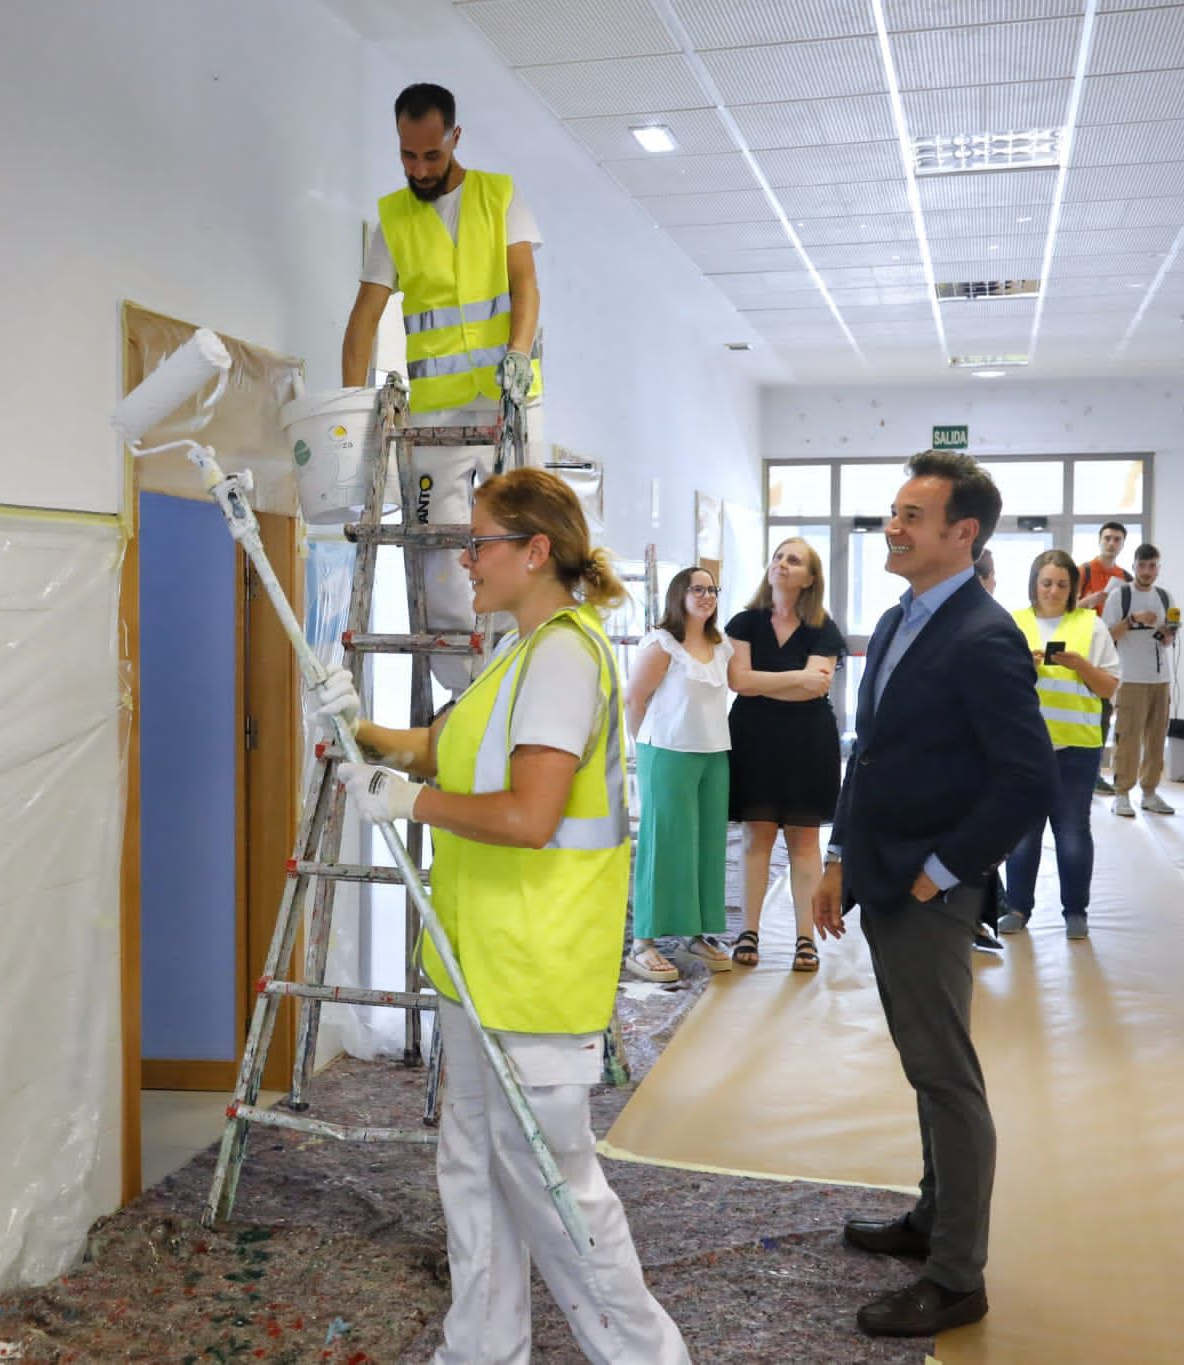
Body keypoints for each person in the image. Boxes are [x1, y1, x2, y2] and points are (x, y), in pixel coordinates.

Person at [322, 468, 688, 1363]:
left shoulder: (565, 655)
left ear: (535, 552)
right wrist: (359, 727)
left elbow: (529, 816)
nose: (466, 559)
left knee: (555, 1193)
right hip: (478, 964)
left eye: (480, 542)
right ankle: (479, 1351)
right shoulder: (517, 652)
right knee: (476, 1176)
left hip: (533, 969)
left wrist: (408, 803)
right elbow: (445, 748)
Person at [812, 451, 1055, 1340]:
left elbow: (1027, 781)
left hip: (929, 889)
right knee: (926, 1063)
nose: (894, 526)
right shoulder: (897, 617)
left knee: (947, 1075)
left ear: (964, 534)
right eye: (893, 511)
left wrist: (942, 870)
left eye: (914, 515)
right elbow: (868, 750)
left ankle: (958, 1275)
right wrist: (839, 855)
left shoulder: (985, 637)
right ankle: (929, 1218)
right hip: (880, 872)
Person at [341, 82, 543, 691]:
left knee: (526, 533)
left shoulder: (498, 196)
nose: (419, 169)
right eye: (407, 155)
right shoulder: (394, 220)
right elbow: (361, 325)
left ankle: (525, 667)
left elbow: (526, 285)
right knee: (435, 551)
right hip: (436, 417)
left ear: (455, 137)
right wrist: (352, 420)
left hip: (508, 401)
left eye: (431, 154)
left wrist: (517, 353)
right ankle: (469, 688)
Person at [724, 538, 844, 974]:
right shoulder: (744, 622)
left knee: (804, 840)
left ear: (810, 578)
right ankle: (748, 931)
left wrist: (764, 681)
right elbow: (738, 681)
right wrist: (796, 678)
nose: (782, 564)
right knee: (756, 837)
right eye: (778, 557)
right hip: (754, 739)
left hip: (808, 742)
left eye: (793, 560)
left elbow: (817, 687)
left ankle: (805, 939)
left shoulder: (823, 628)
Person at [998, 550, 1120, 940]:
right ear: (1034, 583)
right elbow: (994, 683)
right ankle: (1017, 907)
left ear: (1074, 589)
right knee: (1021, 834)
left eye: (1062, 584)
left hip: (1077, 749)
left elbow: (1108, 687)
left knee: (1071, 833)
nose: (1053, 590)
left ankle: (1075, 911)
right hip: (1024, 749)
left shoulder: (1091, 625)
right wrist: (1024, 668)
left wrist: (1080, 665)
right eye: (1046, 582)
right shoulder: (1013, 623)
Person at [622, 567, 734, 982]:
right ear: (679, 595)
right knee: (663, 843)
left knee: (706, 845)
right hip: (667, 752)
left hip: (713, 754)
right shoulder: (663, 643)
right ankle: (644, 942)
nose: (707, 596)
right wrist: (646, 746)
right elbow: (634, 698)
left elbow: (745, 682)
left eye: (712, 590)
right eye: (698, 589)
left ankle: (695, 933)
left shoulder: (721, 647)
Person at [1101, 543, 1179, 816]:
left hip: (1161, 677)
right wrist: (1133, 619)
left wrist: (1166, 632)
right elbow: (1108, 635)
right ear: (1133, 566)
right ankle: (1122, 792)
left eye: (1153, 565)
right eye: (1142, 565)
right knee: (1128, 737)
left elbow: (1169, 640)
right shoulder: (1119, 596)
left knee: (1157, 737)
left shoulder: (1166, 597)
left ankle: (1150, 791)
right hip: (1130, 676)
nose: (1147, 571)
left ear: (1158, 567)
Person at [1076, 524, 1131, 793]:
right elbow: (1066, 608)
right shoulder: (1084, 571)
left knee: (1103, 714)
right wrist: (1090, 599)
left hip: (1111, 651)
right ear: (1099, 541)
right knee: (1079, 710)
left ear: (1122, 544)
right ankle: (1075, 770)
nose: (1111, 543)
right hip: (1084, 648)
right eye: (1107, 538)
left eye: (1117, 539)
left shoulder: (1125, 578)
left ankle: (1094, 772)